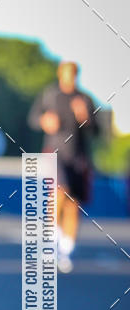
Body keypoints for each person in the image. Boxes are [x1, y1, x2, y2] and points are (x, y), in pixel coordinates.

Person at [28, 61, 99, 273]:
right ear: (60, 74)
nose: (70, 78)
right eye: (67, 74)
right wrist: (44, 120)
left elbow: (96, 130)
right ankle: (50, 244)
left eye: (73, 75)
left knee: (73, 203)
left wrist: (85, 117)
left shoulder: (84, 99)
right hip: (55, 153)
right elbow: (33, 119)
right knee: (59, 193)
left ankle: (66, 251)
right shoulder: (50, 95)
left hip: (78, 156)